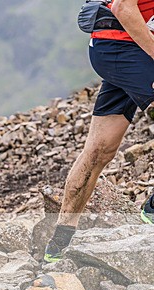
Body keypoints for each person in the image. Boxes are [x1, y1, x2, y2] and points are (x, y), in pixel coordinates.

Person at [44, 0, 154, 264]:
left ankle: (58, 244)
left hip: (121, 46)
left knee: (98, 150)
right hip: (124, 46)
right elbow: (123, 8)